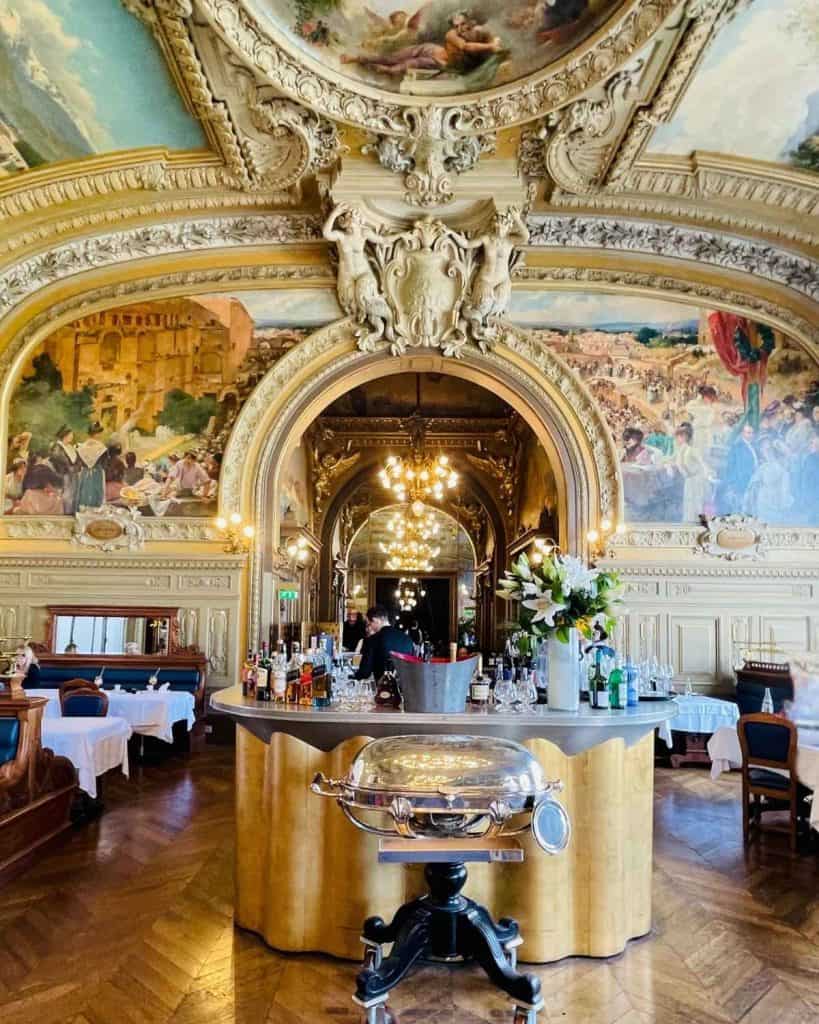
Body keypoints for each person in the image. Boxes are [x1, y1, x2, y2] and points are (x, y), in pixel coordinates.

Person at [354, 605, 414, 681]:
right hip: (404, 688)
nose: (370, 627)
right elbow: (412, 667)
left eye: (369, 623)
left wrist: (352, 677)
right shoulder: (407, 639)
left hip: (382, 688)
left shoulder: (373, 640)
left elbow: (365, 672)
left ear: (375, 620)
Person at [666, 422, 710, 522]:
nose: (676, 440)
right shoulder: (680, 450)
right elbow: (670, 459)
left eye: (678, 437)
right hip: (689, 481)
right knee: (689, 504)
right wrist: (667, 465)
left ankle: (702, 523)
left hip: (698, 481)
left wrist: (707, 476)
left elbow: (703, 464)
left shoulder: (692, 450)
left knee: (699, 504)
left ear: (684, 437)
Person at [715, 423, 758, 515]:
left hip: (750, 481)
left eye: (751, 433)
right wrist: (735, 483)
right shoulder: (738, 447)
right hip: (741, 482)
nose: (750, 435)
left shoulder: (751, 445)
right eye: (748, 433)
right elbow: (736, 467)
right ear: (742, 433)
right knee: (739, 507)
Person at [76, 422, 108, 509]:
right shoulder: (102, 448)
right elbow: (105, 464)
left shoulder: (81, 447)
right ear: (96, 434)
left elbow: (79, 463)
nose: (101, 435)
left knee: (84, 492)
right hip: (97, 473)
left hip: (85, 473)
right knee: (95, 492)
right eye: (100, 433)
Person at [49, 425, 79, 514]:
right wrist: (72, 468)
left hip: (72, 476)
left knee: (73, 497)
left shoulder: (70, 447)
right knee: (66, 497)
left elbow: (76, 461)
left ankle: (71, 513)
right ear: (64, 435)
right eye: (70, 434)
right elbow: (61, 462)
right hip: (62, 476)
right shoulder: (57, 448)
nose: (72, 436)